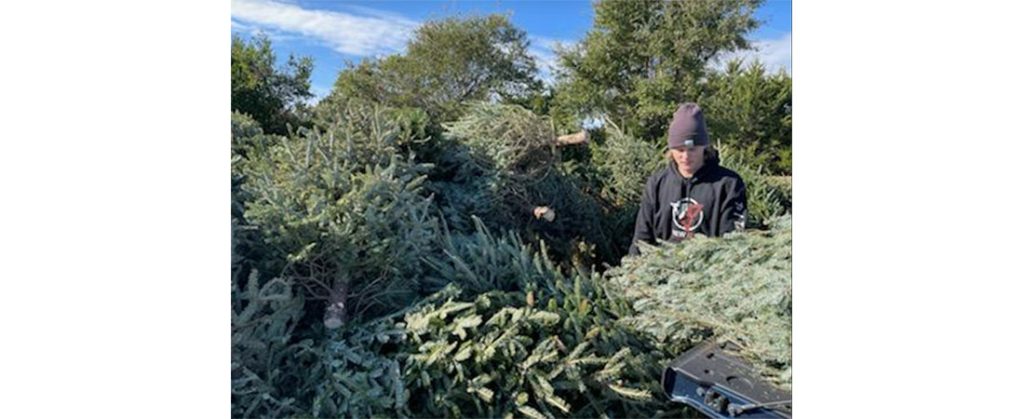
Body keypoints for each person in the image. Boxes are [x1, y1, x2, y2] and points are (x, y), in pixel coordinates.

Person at [628, 103, 747, 256]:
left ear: (704, 147)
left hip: (710, 274)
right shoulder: (657, 184)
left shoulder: (729, 184)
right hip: (662, 271)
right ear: (670, 149)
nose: (685, 157)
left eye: (692, 149)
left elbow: (733, 242)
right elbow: (641, 239)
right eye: (679, 150)